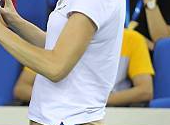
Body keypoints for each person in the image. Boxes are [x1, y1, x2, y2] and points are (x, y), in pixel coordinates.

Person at [14, 28, 154, 107]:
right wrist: (67, 100)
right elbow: (22, 88)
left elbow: (145, 90)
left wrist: (94, 101)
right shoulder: (58, 37)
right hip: (61, 112)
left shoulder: (132, 39)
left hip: (111, 111)